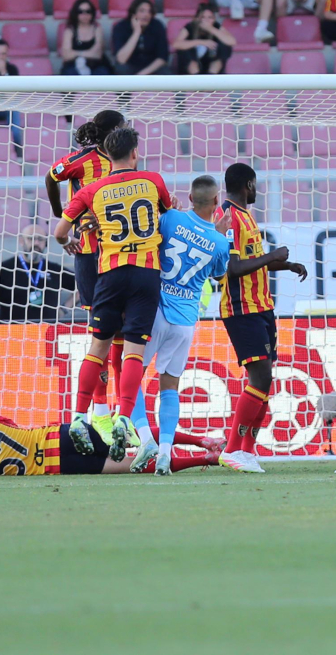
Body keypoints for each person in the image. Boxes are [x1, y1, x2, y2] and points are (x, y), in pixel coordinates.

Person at [55, 127, 172, 460]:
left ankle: (79, 416)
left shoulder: (92, 190)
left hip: (110, 274)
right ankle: (124, 416)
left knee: (98, 346)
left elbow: (60, 231)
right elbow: (166, 210)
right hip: (146, 275)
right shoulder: (153, 181)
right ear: (134, 153)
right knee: (133, 350)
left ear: (106, 156)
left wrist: (70, 242)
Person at [127, 175, 232, 475]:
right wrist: (219, 235)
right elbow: (218, 275)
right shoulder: (219, 241)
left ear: (188, 197)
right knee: (169, 387)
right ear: (216, 202)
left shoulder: (169, 218)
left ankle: (145, 439)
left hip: (155, 310)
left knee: (131, 374)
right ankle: (164, 454)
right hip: (185, 321)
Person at [217, 163, 308, 473]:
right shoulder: (228, 219)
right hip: (242, 309)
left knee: (264, 381)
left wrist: (286, 265)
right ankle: (232, 449)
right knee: (260, 379)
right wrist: (274, 256)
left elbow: (253, 262)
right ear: (249, 185)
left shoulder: (245, 216)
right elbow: (233, 269)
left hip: (261, 307)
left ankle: (246, 450)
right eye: (255, 185)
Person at [45, 110, 124, 444]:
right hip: (90, 254)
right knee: (101, 331)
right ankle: (101, 411)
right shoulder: (82, 160)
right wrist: (61, 216)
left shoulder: (126, 165)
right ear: (112, 132)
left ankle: (121, 409)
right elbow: (51, 177)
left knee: (121, 329)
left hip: (119, 252)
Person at [0, 409, 220, 477]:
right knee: (133, 434)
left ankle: (205, 460)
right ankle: (203, 441)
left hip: (61, 467)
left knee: (132, 465)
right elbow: (15, 428)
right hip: (58, 436)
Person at [0, 224, 76, 323]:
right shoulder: (6, 268)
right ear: (21, 241)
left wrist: (64, 309)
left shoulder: (54, 269)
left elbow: (82, 286)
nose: (36, 243)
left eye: (40, 239)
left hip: (46, 331)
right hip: (13, 332)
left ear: (46, 243)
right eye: (31, 239)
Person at [112, 0, 169, 75]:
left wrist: (142, 74)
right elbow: (121, 59)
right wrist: (137, 32)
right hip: (130, 65)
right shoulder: (121, 27)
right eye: (142, 11)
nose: (146, 15)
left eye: (149, 12)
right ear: (133, 13)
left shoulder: (157, 25)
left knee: (166, 73)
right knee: (121, 69)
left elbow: (162, 58)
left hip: (151, 67)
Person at [173, 2, 235, 75]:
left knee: (225, 46)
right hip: (191, 67)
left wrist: (210, 29)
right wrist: (202, 42)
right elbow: (176, 44)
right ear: (197, 18)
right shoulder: (190, 26)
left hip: (210, 63)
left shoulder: (216, 26)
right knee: (184, 48)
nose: (206, 20)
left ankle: (212, 75)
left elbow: (232, 41)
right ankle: (196, 79)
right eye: (203, 17)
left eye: (210, 17)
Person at [60, 0, 112, 75]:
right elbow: (66, 55)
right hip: (73, 65)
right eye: (80, 12)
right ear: (75, 13)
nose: (85, 15)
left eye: (88, 11)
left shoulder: (97, 29)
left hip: (96, 65)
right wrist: (87, 53)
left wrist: (76, 54)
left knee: (102, 73)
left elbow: (97, 54)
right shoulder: (70, 30)